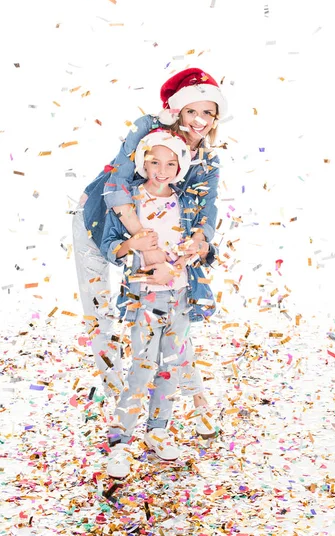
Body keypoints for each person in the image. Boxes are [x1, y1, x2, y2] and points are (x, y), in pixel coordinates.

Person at [72, 67, 228, 436]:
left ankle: (197, 400)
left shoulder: (206, 160)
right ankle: (120, 405)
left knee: (173, 316)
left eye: (209, 113)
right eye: (192, 111)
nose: (200, 121)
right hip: (100, 225)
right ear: (176, 111)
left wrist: (198, 242)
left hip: (152, 241)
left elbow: (206, 212)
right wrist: (143, 244)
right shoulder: (150, 131)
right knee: (101, 315)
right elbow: (115, 185)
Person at [100, 130, 218, 478]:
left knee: (171, 364)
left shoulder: (187, 201)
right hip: (144, 297)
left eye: (170, 163)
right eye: (153, 161)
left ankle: (158, 430)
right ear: (142, 161)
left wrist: (177, 265)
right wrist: (132, 242)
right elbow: (112, 246)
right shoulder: (128, 202)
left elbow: (199, 248)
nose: (161, 170)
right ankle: (120, 443)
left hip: (181, 294)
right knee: (142, 367)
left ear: (181, 166)